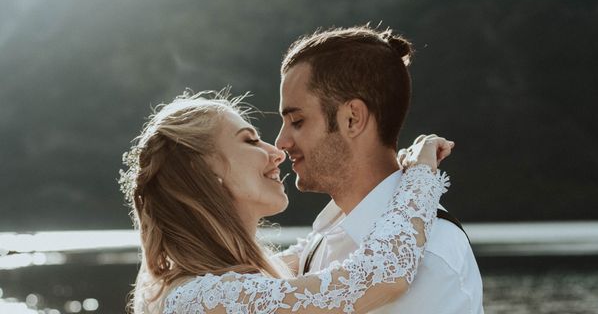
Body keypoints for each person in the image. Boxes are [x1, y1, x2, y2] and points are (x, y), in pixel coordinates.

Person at [119, 90, 453, 313]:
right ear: (203, 171)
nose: (277, 152)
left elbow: (307, 251)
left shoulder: (209, 281)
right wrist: (420, 174)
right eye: (250, 141)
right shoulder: (204, 300)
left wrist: (386, 177)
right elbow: (383, 274)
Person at [275, 25, 484, 314]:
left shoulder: (432, 259)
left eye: (297, 121)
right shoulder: (321, 241)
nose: (280, 142)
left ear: (352, 119)